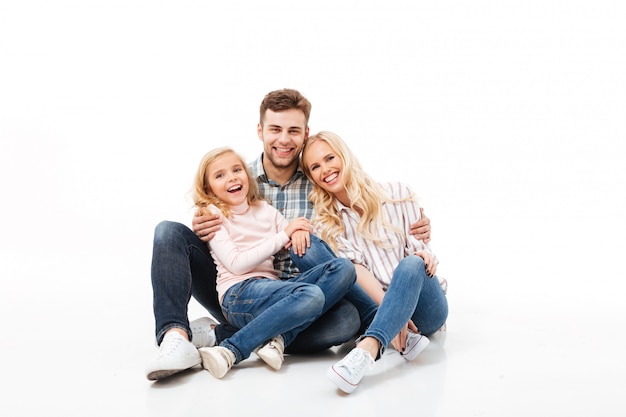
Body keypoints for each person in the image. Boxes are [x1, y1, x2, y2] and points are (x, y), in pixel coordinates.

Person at [145, 88, 432, 381]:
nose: (284, 139)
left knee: (346, 319)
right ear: (261, 130)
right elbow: (222, 240)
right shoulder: (238, 176)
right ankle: (176, 338)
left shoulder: (321, 180)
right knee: (168, 232)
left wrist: (411, 219)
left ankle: (226, 335)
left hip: (307, 297)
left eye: (293, 130)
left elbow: (362, 211)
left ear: (306, 134)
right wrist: (203, 225)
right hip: (237, 290)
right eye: (275, 129)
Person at [187, 147, 356, 379]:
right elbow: (236, 264)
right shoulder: (213, 214)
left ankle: (276, 338)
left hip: (274, 292)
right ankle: (232, 349)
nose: (232, 177)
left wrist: (301, 229)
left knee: (344, 270)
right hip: (239, 294)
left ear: (247, 175)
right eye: (220, 175)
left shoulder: (265, 210)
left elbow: (292, 233)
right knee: (312, 295)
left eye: (237, 170)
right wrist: (286, 234)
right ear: (208, 188)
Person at [301, 131, 449, 394]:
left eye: (329, 158)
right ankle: (387, 338)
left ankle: (368, 348)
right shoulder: (328, 224)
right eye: (315, 166)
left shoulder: (397, 193)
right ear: (312, 176)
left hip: (424, 310)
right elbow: (355, 272)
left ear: (344, 156)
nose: (325, 169)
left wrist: (424, 257)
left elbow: (421, 252)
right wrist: (395, 314)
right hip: (380, 309)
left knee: (412, 263)